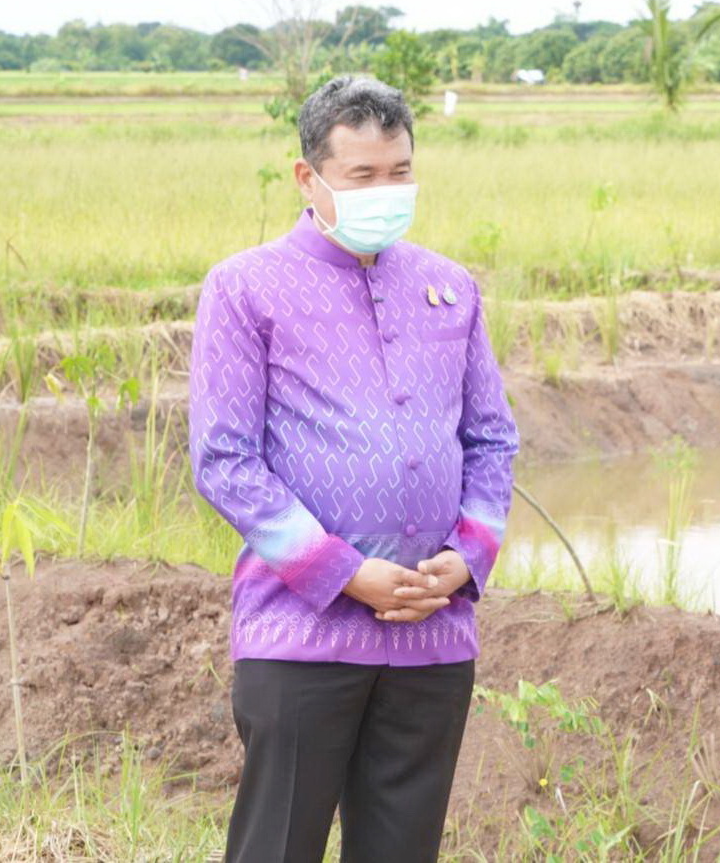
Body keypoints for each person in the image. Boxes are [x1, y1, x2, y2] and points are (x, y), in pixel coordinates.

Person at [190, 75, 519, 862]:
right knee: (278, 846)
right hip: (301, 633)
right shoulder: (245, 288)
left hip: (432, 632)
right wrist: (344, 573)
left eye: (398, 171)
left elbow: (493, 440)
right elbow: (225, 459)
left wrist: (464, 560)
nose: (385, 190)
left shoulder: (450, 286)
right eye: (361, 176)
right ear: (310, 178)